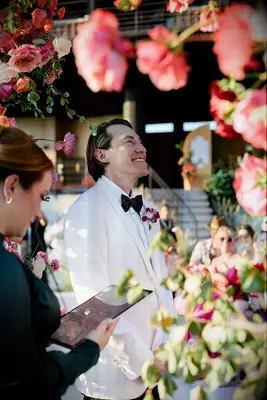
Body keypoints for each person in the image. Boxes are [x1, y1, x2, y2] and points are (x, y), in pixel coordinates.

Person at [0, 127, 117, 400]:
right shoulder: (5, 267)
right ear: (12, 186)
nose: (40, 212)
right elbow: (33, 382)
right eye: (41, 196)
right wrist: (91, 348)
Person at [64, 118, 174, 400]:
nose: (142, 147)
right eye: (129, 141)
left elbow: (161, 282)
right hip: (114, 376)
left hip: (158, 363)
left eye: (140, 141)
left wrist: (166, 345)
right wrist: (144, 363)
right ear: (102, 155)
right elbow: (94, 302)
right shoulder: (86, 209)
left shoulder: (148, 208)